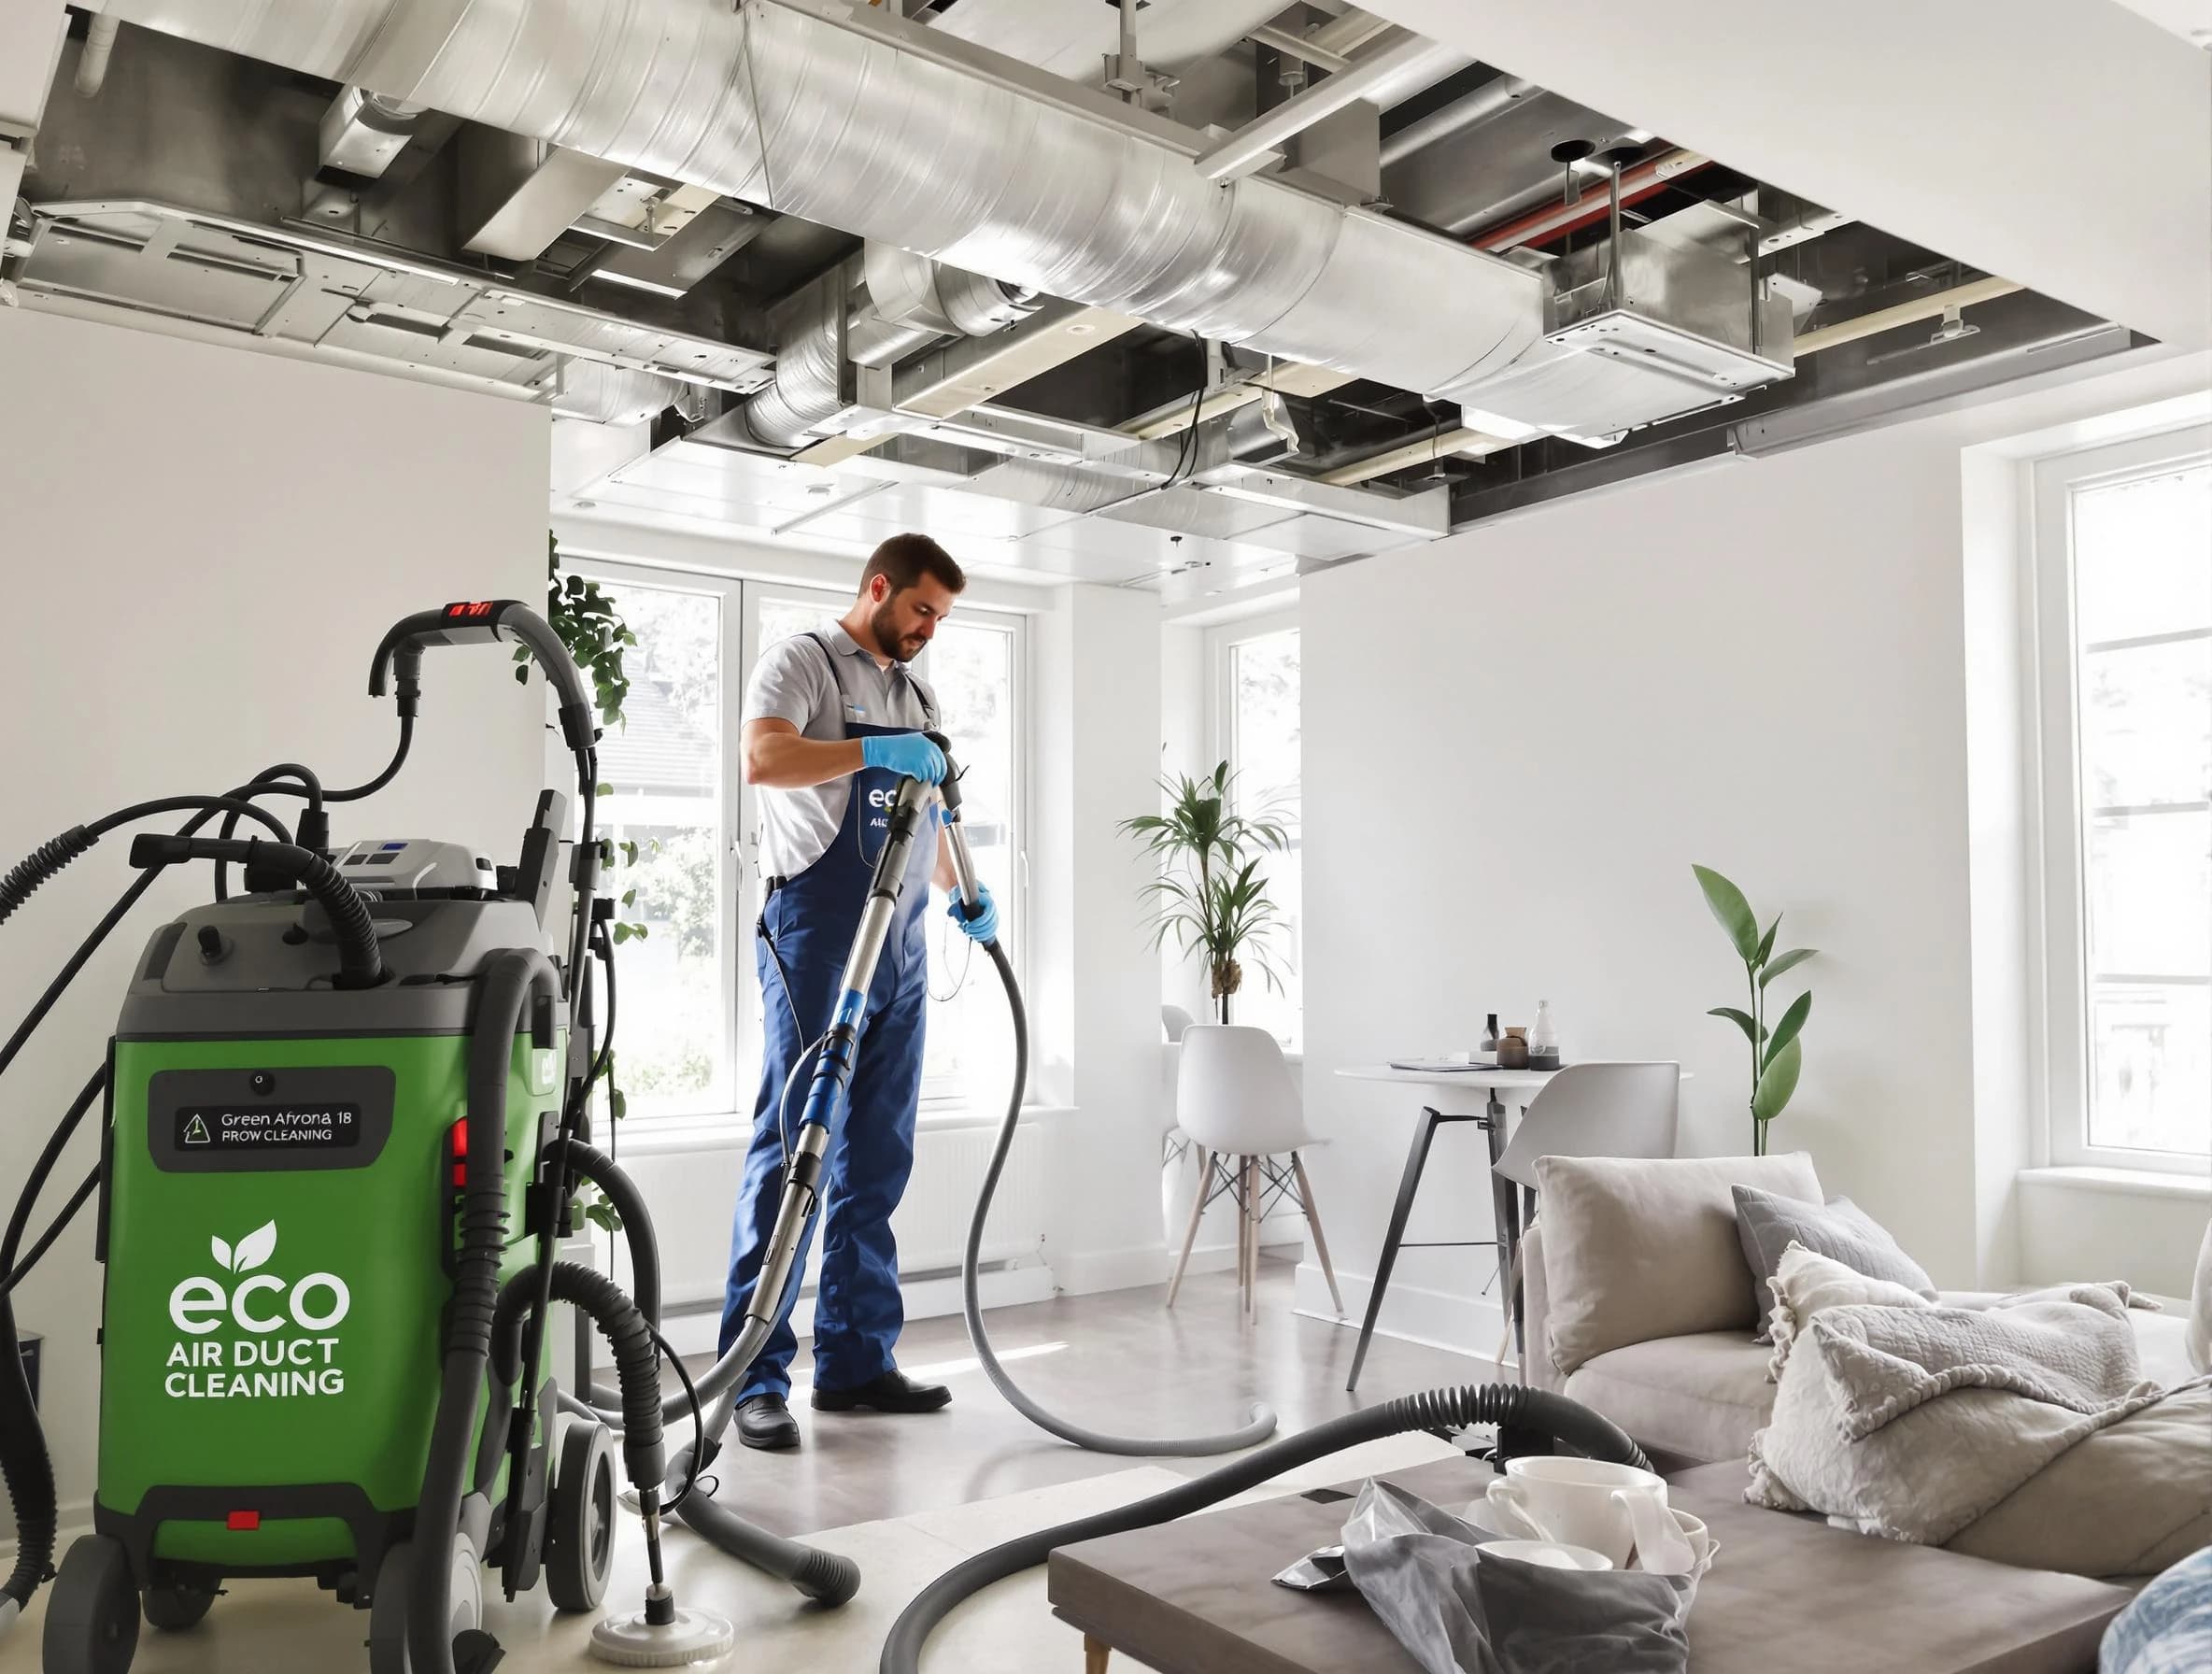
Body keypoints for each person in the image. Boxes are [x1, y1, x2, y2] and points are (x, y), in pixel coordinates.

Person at [720, 532, 1000, 1451]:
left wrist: (965, 888)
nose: (929, 629)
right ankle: (754, 1376)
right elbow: (765, 760)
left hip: (904, 942)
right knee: (795, 1148)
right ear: (878, 586)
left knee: (874, 1159)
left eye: (941, 618)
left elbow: (936, 805)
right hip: (819, 929)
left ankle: (854, 1362)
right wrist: (875, 748)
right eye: (920, 608)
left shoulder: (917, 691)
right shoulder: (803, 659)